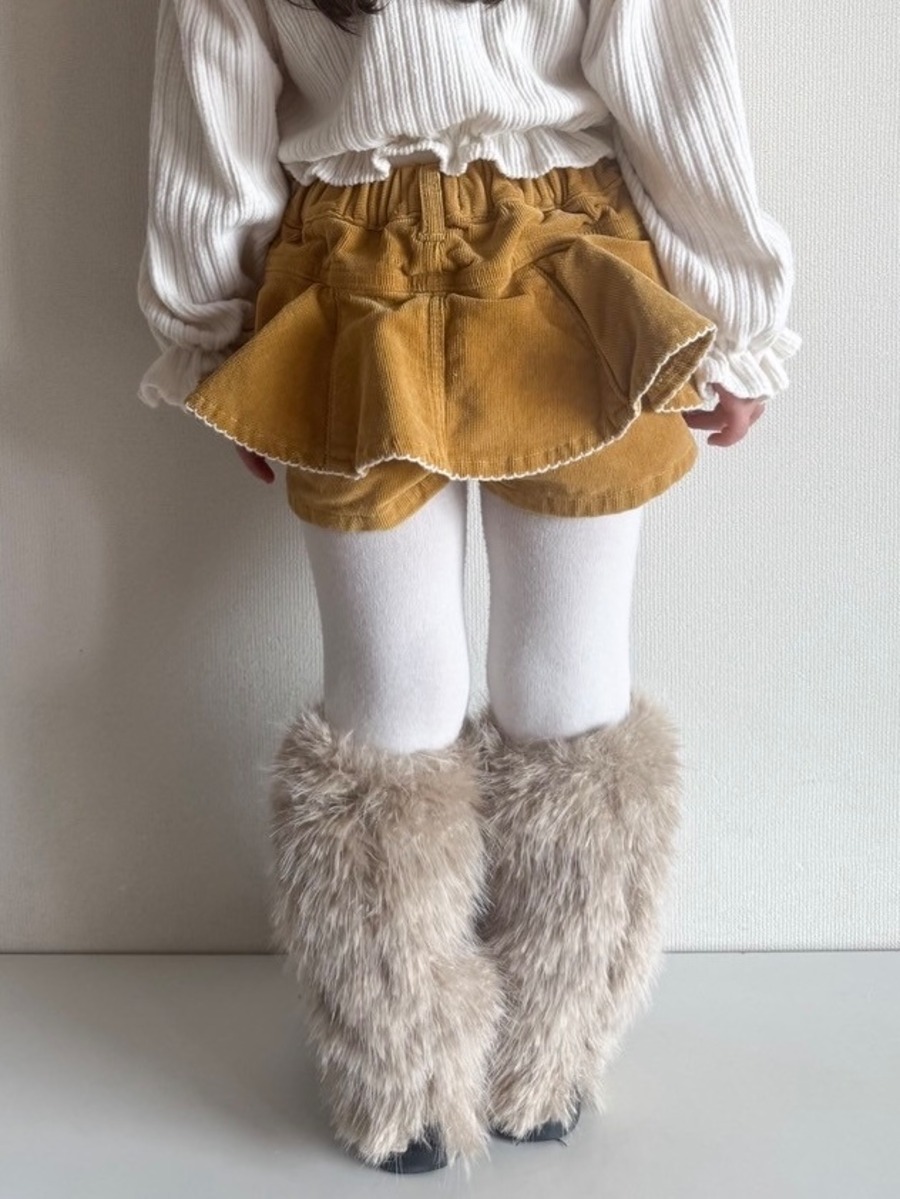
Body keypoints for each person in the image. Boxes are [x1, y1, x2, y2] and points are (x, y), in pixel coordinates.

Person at [136, 0, 801, 1176]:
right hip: (515, 260)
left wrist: (214, 330)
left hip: (412, 271)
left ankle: (443, 1059)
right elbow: (672, 79)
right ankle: (501, 1051)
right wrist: (738, 314)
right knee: (504, 681)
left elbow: (211, 119)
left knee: (458, 684)